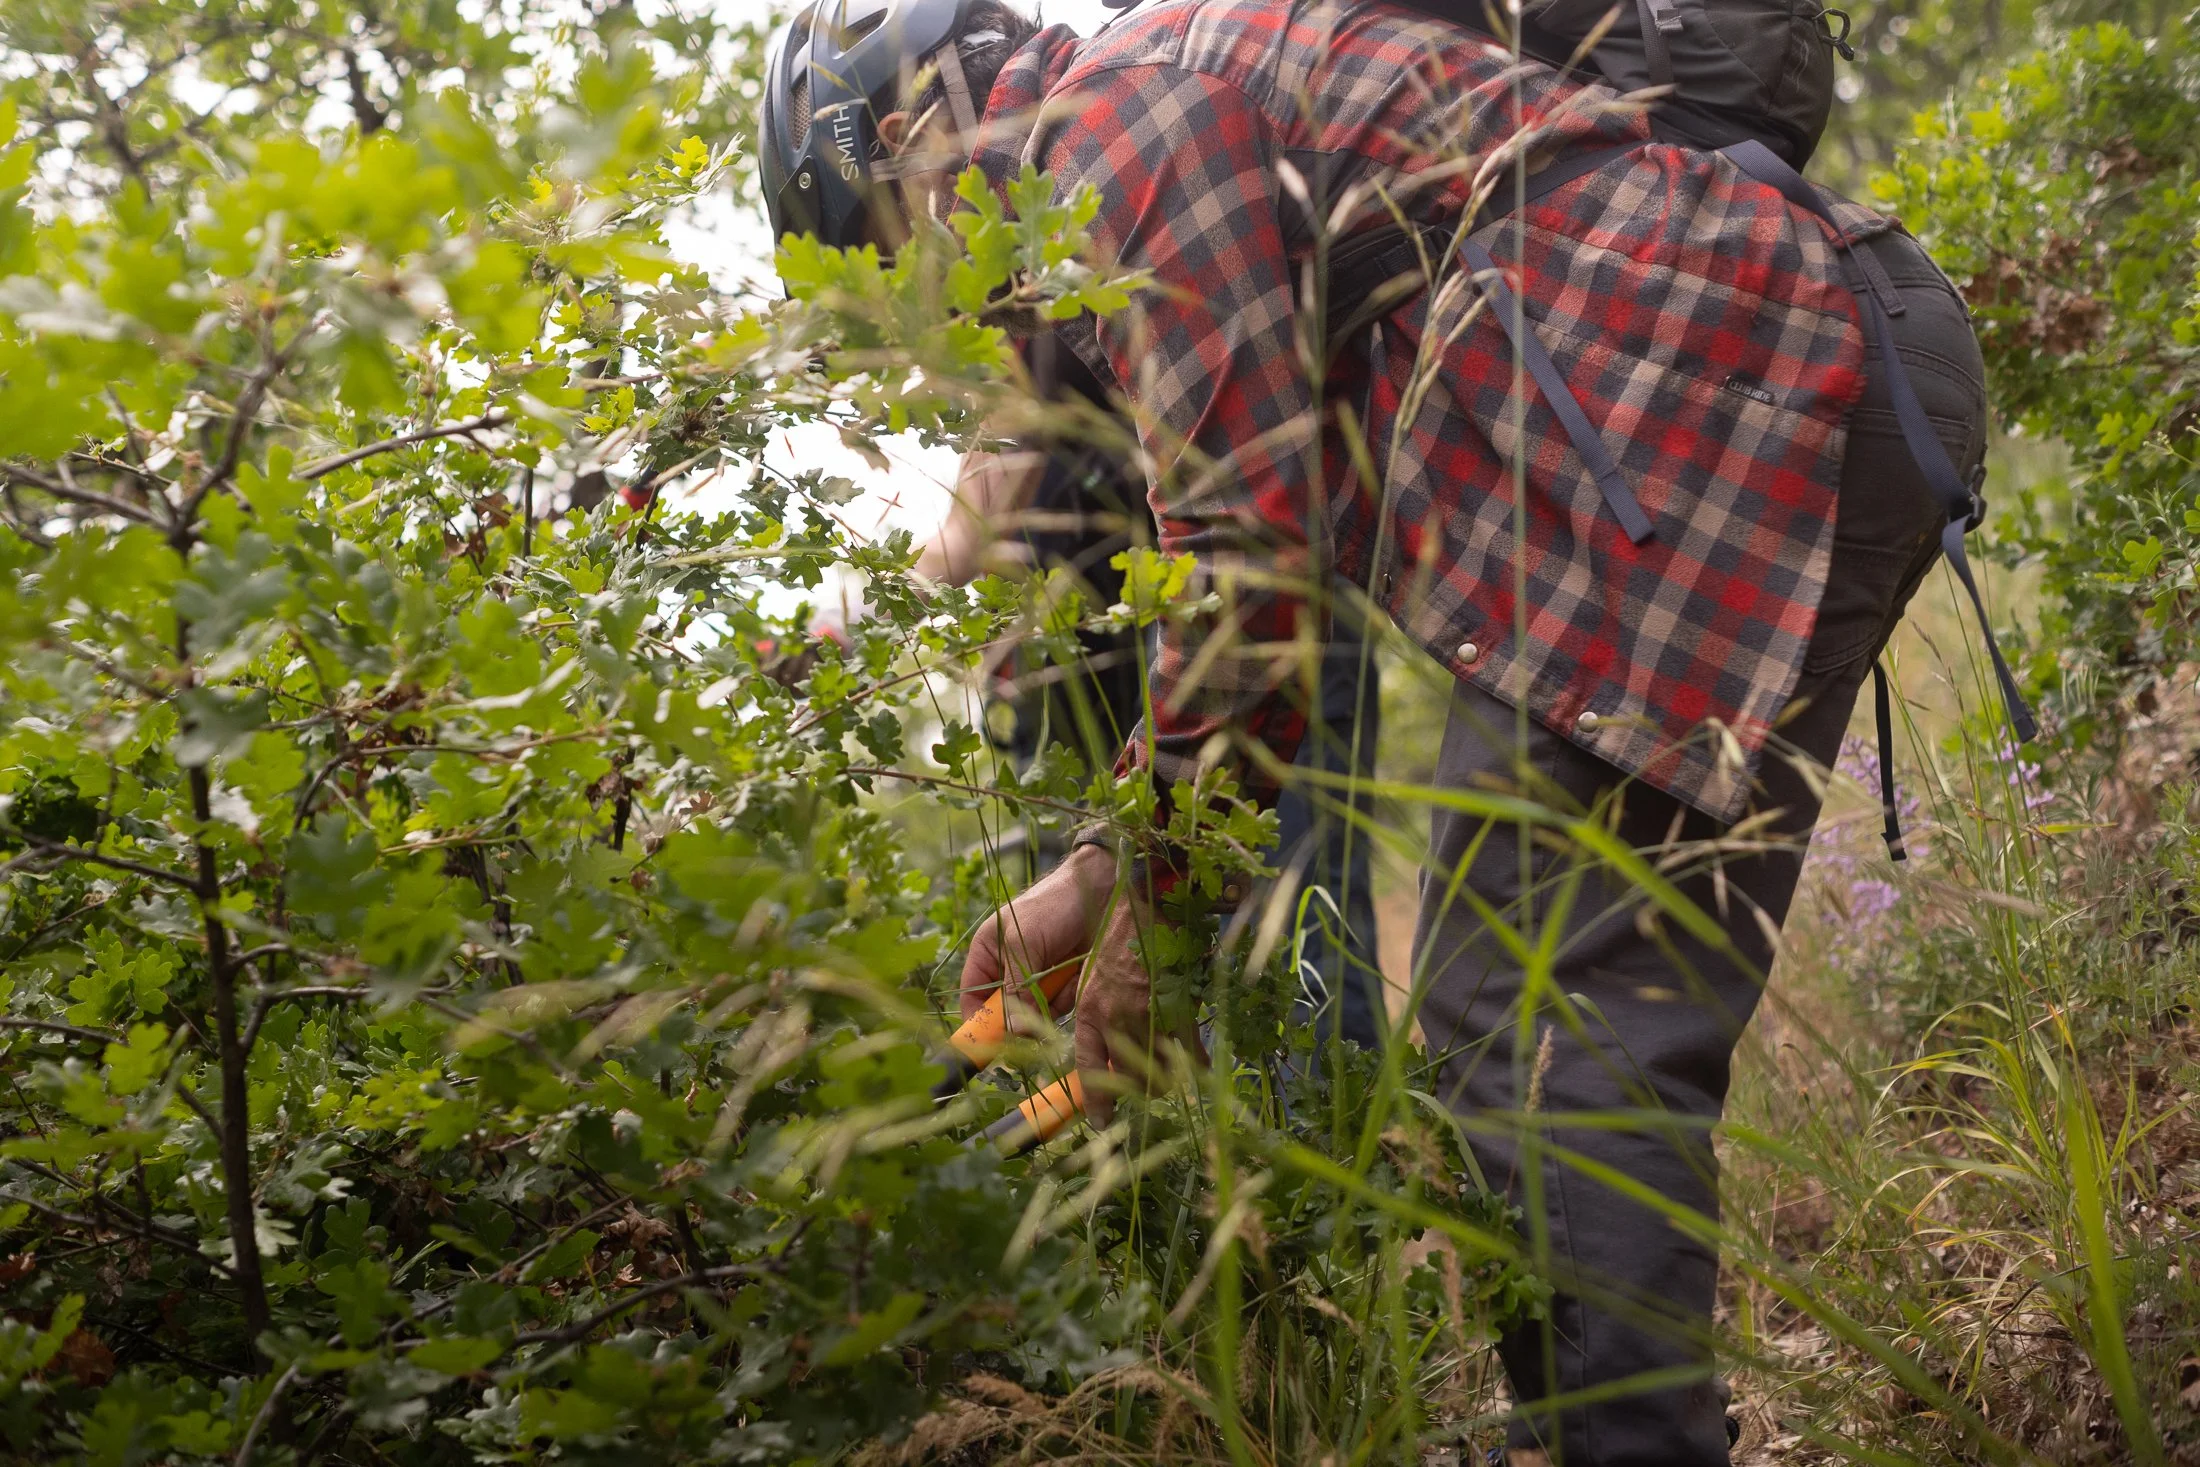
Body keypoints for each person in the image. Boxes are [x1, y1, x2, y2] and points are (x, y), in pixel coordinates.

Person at [758, 2, 1990, 1463]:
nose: (933, 314)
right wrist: (1106, 871)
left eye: (892, 255)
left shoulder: (1111, 124)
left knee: (1535, 1023)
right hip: (1763, 371)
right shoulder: (1150, 112)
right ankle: (1593, 1430)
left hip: (1726, 376)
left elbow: (1245, 563)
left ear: (913, 139)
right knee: (1542, 1012)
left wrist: (1158, 911)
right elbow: (1256, 549)